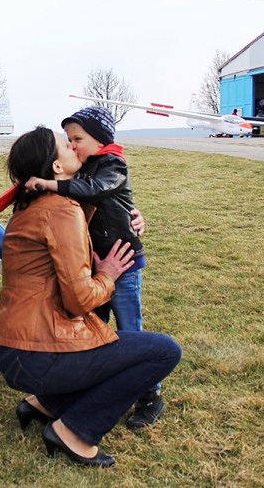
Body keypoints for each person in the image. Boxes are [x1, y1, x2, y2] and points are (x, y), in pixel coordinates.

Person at [0, 126, 181, 467]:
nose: (74, 147)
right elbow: (78, 300)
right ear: (56, 168)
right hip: (38, 353)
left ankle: (46, 404)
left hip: (16, 349)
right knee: (162, 352)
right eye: (67, 144)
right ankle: (75, 431)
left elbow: (94, 201)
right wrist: (107, 274)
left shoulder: (33, 205)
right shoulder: (60, 210)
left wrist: (132, 217)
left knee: (112, 346)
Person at [23, 106, 163, 430]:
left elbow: (96, 191)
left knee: (130, 331)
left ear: (100, 139)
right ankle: (85, 387)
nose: (72, 146)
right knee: (91, 329)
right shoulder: (82, 168)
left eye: (78, 139)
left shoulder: (112, 164)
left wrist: (48, 184)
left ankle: (150, 396)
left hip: (122, 265)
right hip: (93, 268)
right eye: (68, 140)